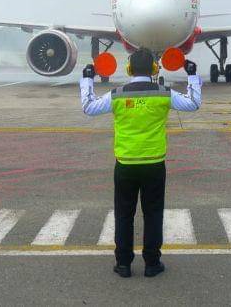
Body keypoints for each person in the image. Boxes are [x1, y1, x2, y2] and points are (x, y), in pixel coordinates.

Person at [79, 48, 202, 278]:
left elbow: (88, 107)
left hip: (125, 164)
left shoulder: (117, 95)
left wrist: (87, 79)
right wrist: (192, 75)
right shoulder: (164, 93)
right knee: (153, 214)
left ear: (128, 69)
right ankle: (152, 263)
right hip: (154, 164)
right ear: (155, 69)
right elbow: (193, 103)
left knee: (124, 215)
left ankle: (123, 264)